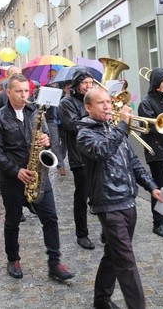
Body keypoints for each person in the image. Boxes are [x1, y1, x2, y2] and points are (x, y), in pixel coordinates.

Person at [76, 87, 163, 309]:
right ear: (88, 107)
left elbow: (133, 161)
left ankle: (101, 299)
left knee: (114, 254)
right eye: (101, 103)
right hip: (108, 203)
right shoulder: (85, 134)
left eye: (108, 101)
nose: (107, 106)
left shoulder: (115, 128)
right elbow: (102, 151)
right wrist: (123, 125)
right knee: (126, 261)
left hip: (128, 200)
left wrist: (151, 186)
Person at [0, 73, 75, 282]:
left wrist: (46, 140)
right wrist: (16, 170)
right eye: (19, 91)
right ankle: (13, 259)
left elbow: (48, 140)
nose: (24, 95)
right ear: (8, 92)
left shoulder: (36, 113)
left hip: (38, 174)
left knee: (51, 218)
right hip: (13, 179)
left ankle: (55, 263)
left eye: (27, 91)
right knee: (13, 221)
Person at [58, 69, 96, 250]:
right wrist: (92, 114)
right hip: (79, 156)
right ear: (77, 85)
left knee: (99, 193)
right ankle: (82, 234)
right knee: (82, 196)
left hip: (96, 152)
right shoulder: (66, 103)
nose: (89, 86)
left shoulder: (92, 100)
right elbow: (73, 126)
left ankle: (107, 232)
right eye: (85, 83)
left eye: (91, 83)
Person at [137, 67, 163, 238]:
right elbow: (149, 128)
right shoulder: (145, 103)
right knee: (158, 187)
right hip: (156, 150)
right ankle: (158, 223)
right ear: (156, 83)